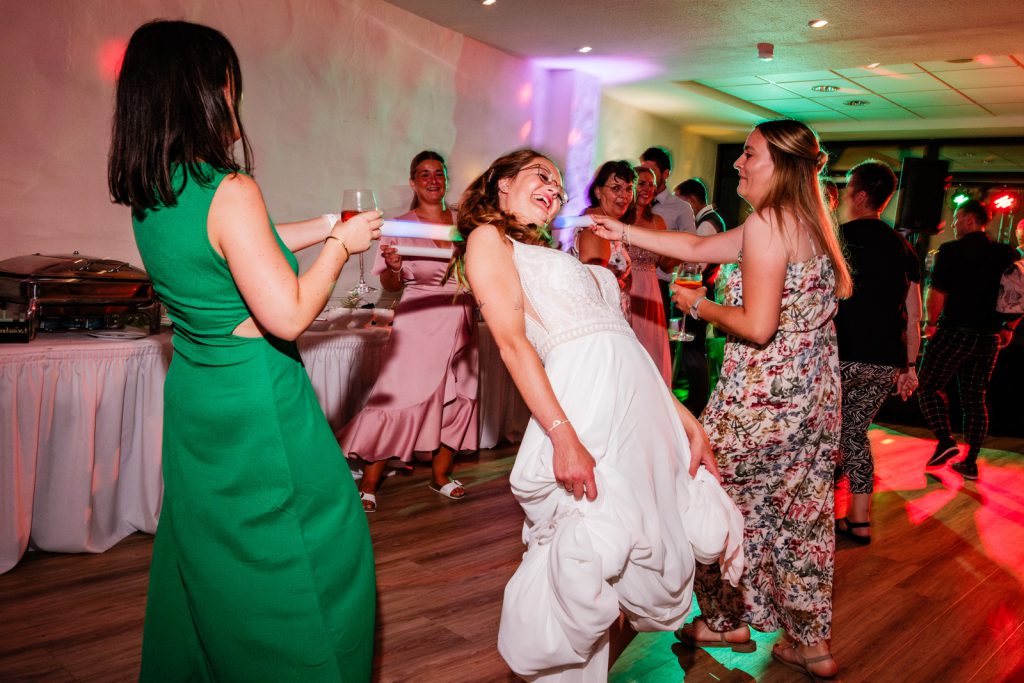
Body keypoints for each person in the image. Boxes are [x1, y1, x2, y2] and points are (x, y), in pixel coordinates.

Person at [108, 21, 381, 680]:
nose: (236, 102)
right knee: (312, 547)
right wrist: (342, 250)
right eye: (230, 88)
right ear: (202, 92)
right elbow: (286, 313)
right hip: (260, 405)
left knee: (214, 550)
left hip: (202, 394)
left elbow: (228, 245)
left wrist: (324, 225)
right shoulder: (230, 189)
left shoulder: (155, 191)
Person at [458, 150, 742, 681]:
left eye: (559, 182)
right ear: (499, 183)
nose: (554, 186)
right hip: (583, 412)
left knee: (626, 560)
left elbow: (627, 349)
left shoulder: (552, 252)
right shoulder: (487, 241)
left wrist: (688, 425)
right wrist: (563, 437)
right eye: (541, 174)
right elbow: (514, 345)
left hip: (639, 413)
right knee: (585, 555)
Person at [593, 119, 853, 681]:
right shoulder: (807, 223)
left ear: (779, 165)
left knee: (707, 498)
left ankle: (722, 618)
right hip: (811, 403)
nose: (737, 163)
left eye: (749, 154)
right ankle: (813, 644)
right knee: (802, 518)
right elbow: (693, 244)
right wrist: (623, 230)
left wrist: (697, 305)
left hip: (760, 399)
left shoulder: (766, 225)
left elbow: (757, 327)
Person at [340, 151, 478, 511]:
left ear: (446, 179)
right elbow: (389, 280)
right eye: (424, 174)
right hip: (418, 319)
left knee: (462, 394)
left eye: (439, 173)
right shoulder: (399, 225)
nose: (433, 180)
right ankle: (369, 483)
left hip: (460, 315)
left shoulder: (466, 223)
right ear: (413, 181)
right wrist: (397, 267)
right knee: (396, 396)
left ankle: (440, 476)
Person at [832, 160, 922, 544]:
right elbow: (915, 315)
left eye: (849, 185)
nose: (845, 194)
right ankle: (858, 517)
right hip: (883, 361)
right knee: (854, 433)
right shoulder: (904, 247)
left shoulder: (837, 238)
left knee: (832, 434)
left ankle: (834, 516)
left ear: (861, 194)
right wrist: (910, 366)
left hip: (839, 355)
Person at [918, 199, 1018, 480]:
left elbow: (937, 292)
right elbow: (1018, 292)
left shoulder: (951, 251)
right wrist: (1009, 327)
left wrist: (931, 324)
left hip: (955, 332)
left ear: (970, 220)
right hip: (988, 337)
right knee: (975, 399)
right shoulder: (1005, 252)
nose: (953, 223)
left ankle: (946, 441)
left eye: (957, 217)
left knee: (927, 386)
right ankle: (970, 462)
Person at [673, 178, 727, 414]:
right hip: (701, 291)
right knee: (693, 348)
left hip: (699, 292)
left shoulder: (706, 225)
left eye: (682, 202)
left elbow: (697, 263)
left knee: (693, 350)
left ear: (691, 200)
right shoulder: (712, 220)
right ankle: (697, 399)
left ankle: (697, 403)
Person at [620, 165, 672, 384]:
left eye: (651, 184)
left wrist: (677, 249)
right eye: (641, 183)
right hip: (626, 288)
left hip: (650, 291)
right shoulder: (621, 220)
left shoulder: (658, 222)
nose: (647, 189)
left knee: (651, 348)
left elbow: (666, 265)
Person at [639, 146, 699, 320]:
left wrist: (666, 259)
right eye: (642, 170)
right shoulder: (631, 203)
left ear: (665, 174)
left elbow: (691, 245)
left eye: (651, 171)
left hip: (659, 283)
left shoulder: (680, 207)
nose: (645, 176)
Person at [575, 160, 637, 320]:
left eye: (629, 189)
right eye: (616, 188)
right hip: (603, 318)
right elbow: (594, 287)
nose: (624, 196)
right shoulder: (595, 229)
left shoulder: (608, 224)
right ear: (597, 192)